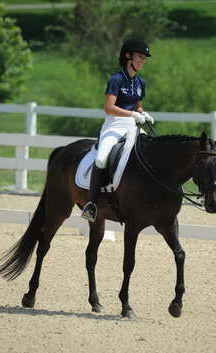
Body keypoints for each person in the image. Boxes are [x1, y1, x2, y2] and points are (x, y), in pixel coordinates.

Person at [81, 39, 154, 222]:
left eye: (144, 58)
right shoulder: (116, 79)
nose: (142, 61)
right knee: (101, 158)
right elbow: (109, 107)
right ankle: (91, 204)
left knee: (149, 153)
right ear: (128, 56)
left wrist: (142, 113)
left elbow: (138, 106)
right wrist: (132, 114)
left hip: (132, 126)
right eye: (140, 57)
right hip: (114, 125)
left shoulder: (140, 82)